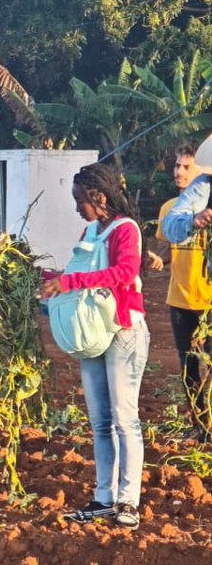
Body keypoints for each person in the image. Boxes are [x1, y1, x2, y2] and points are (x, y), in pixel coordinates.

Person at [43, 163, 148, 530]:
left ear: (98, 196)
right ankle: (104, 499)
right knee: (101, 422)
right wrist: (49, 277)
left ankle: (128, 501)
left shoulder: (125, 229)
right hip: (94, 333)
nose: (77, 209)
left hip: (122, 331)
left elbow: (125, 273)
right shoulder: (91, 230)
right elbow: (78, 274)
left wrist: (69, 283)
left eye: (80, 201)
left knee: (124, 418)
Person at [157, 143, 212, 441]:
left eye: (185, 166)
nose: (179, 171)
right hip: (183, 299)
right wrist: (194, 220)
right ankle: (200, 426)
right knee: (189, 365)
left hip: (207, 300)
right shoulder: (182, 201)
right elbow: (172, 237)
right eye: (177, 166)